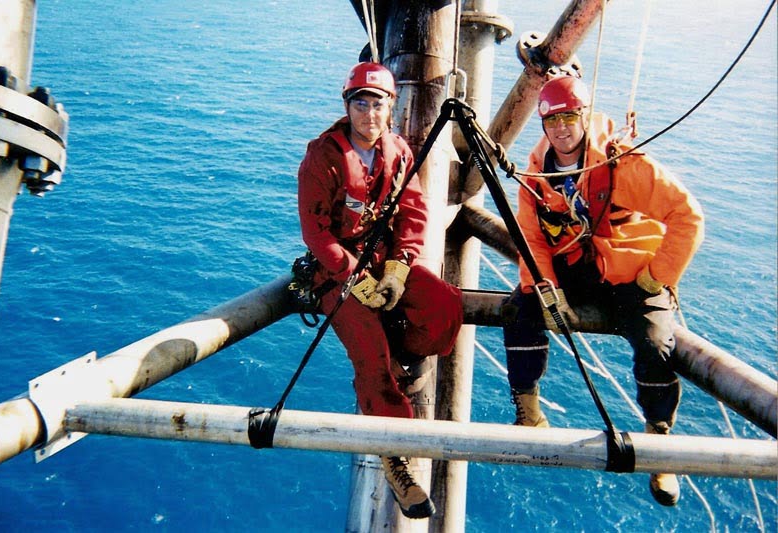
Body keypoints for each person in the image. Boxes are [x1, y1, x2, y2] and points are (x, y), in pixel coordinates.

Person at [503, 75, 704, 506]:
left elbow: (687, 216)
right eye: (552, 121)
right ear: (543, 124)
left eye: (569, 118)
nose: (561, 129)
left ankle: (659, 442)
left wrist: (657, 277)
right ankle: (529, 413)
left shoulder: (622, 164)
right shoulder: (536, 173)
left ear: (585, 116)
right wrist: (546, 289)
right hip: (577, 271)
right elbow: (532, 237)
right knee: (520, 310)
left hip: (633, 275)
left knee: (655, 343)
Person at [297, 61, 463, 519]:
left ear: (391, 107)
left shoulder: (397, 151)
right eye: (361, 104)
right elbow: (316, 233)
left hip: (383, 261)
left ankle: (400, 357)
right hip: (336, 272)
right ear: (347, 106)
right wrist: (354, 277)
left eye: (378, 104)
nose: (370, 114)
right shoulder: (324, 157)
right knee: (370, 353)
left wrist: (398, 268)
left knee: (444, 306)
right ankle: (395, 454)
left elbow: (413, 211)